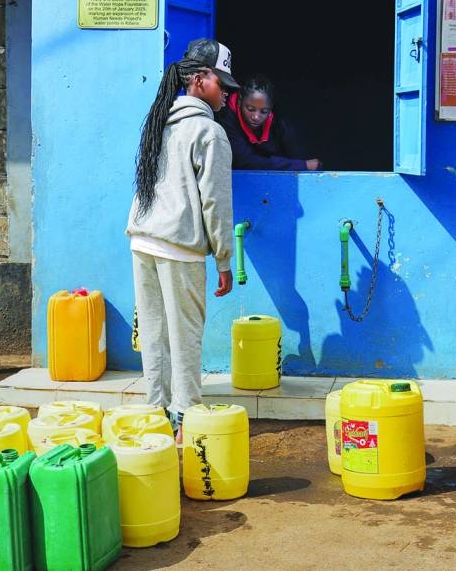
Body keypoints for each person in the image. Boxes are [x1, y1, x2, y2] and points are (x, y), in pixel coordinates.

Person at [126, 38, 240, 442]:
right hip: (179, 246)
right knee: (185, 334)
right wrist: (224, 260)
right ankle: (187, 419)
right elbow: (215, 202)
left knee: (155, 334)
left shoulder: (160, 119)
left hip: (142, 240)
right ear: (198, 80)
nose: (227, 94)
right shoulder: (209, 132)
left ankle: (156, 414)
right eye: (222, 83)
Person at [217, 74, 322, 171]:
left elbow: (296, 157)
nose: (256, 117)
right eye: (250, 109)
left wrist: (300, 165)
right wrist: (302, 165)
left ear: (270, 109)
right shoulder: (226, 118)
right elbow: (244, 161)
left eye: (264, 111)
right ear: (240, 101)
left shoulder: (279, 123)